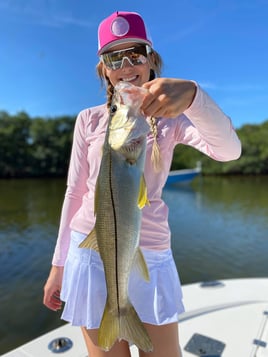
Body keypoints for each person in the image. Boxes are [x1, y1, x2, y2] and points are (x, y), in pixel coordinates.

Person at [43, 10, 241, 357]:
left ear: (151, 59)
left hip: (151, 253)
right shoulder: (88, 120)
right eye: (113, 57)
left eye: (135, 54)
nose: (125, 64)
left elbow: (229, 151)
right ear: (104, 69)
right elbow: (74, 192)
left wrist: (195, 96)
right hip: (89, 253)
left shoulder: (173, 120)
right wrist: (58, 266)